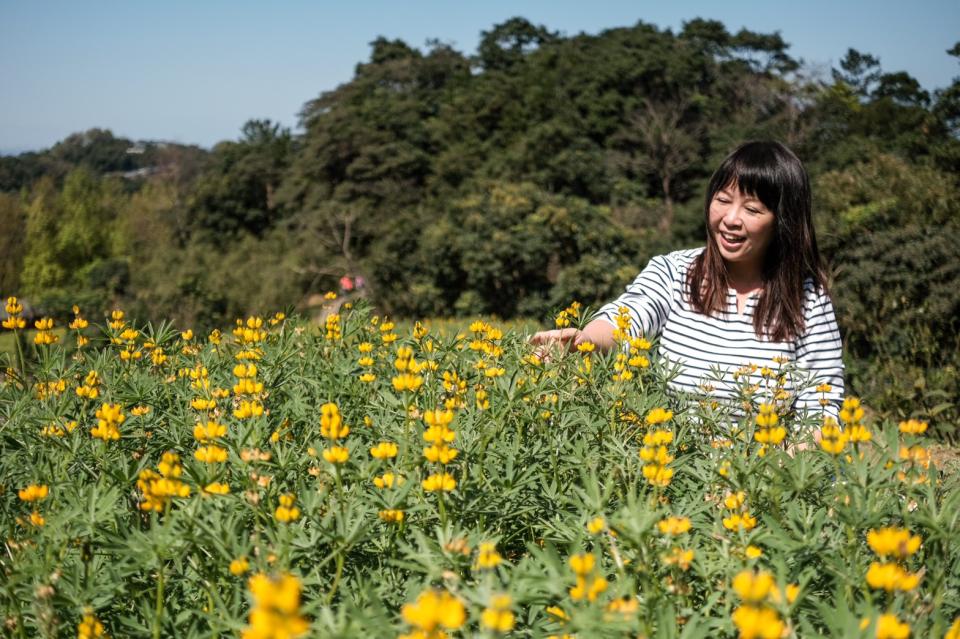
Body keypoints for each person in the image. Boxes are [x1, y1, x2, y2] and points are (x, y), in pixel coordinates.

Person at [530, 141, 844, 425]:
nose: (731, 219)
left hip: (768, 477)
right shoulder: (674, 271)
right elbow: (626, 319)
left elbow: (822, 411)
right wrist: (580, 341)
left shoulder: (809, 299)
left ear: (783, 221)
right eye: (723, 200)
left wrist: (760, 480)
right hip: (675, 473)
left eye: (751, 209)